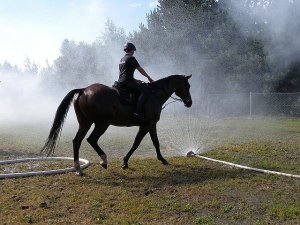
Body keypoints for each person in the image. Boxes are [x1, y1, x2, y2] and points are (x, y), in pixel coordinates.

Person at [118, 42, 154, 121]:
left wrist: (136, 80)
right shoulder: (131, 58)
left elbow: (124, 74)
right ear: (131, 50)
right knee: (145, 91)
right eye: (133, 50)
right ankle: (137, 112)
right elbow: (140, 69)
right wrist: (149, 78)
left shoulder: (122, 59)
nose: (133, 52)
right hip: (127, 82)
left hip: (121, 82)